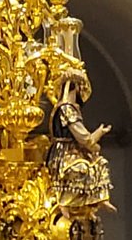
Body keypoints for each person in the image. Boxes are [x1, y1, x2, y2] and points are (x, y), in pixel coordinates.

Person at [46, 70, 114, 213]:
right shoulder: (66, 109)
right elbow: (83, 138)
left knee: (100, 163)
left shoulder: (70, 108)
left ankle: (100, 199)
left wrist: (95, 140)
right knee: (81, 169)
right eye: (81, 86)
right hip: (64, 154)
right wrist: (98, 134)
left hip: (75, 151)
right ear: (75, 87)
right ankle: (64, 201)